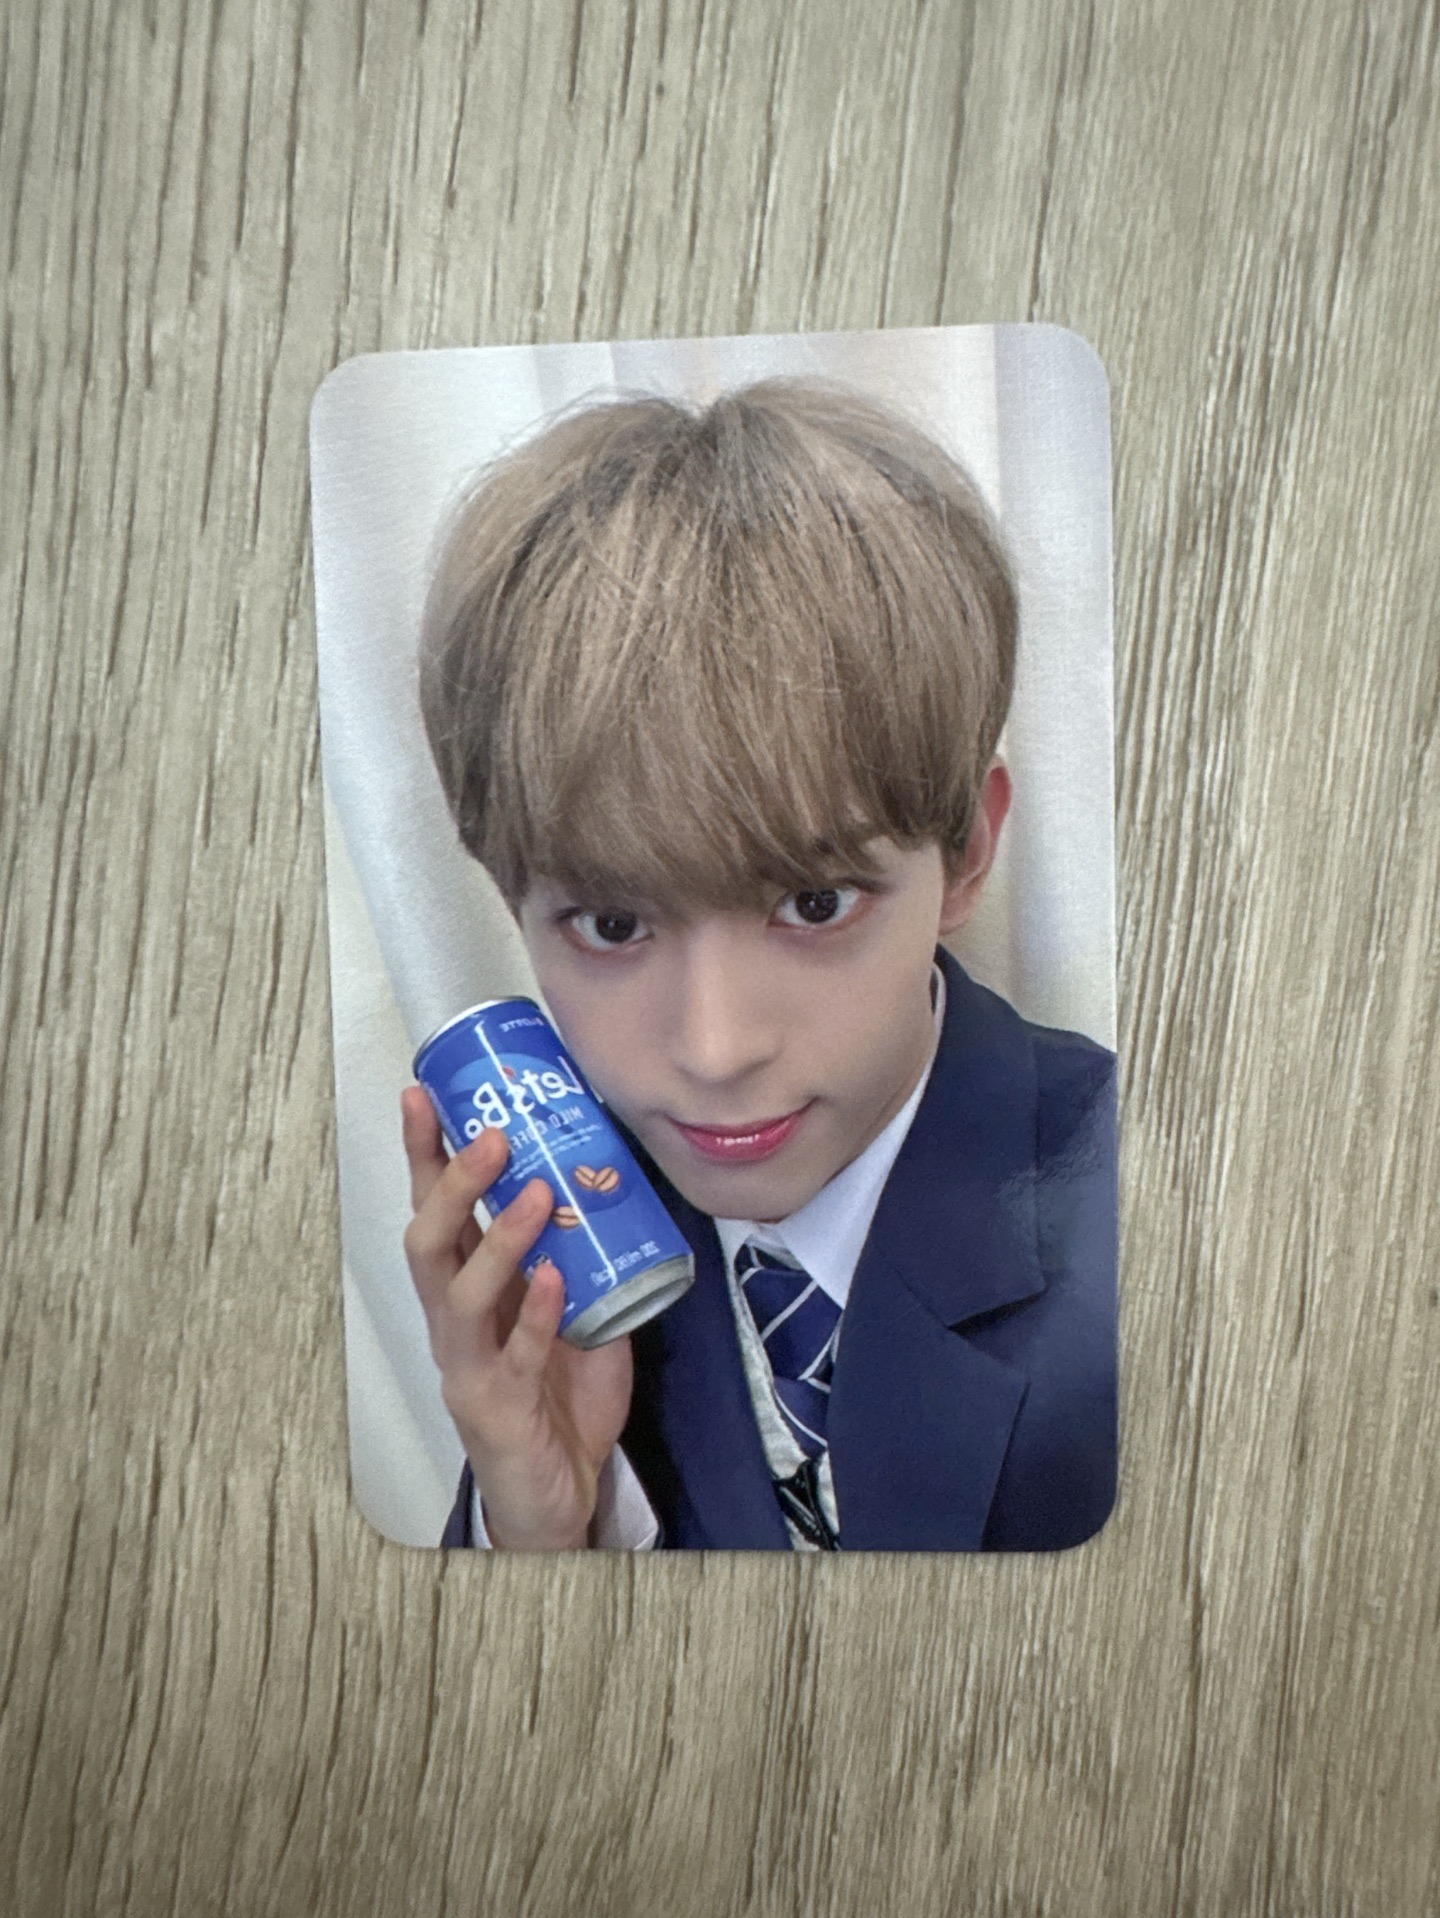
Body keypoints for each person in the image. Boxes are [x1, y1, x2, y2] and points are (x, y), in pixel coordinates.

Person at [400, 379, 1116, 1552]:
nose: (715, 1049)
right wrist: (542, 1535)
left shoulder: (1168, 1203)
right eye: (613, 924)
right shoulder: (568, 1257)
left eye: (814, 902)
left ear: (967, 852)